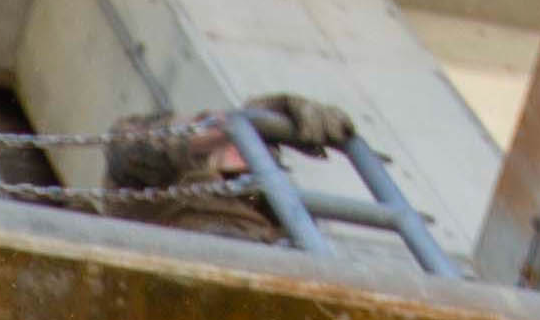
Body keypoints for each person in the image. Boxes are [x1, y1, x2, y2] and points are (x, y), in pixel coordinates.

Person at [94, 97, 360, 243]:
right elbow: (129, 147)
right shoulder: (162, 187)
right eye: (239, 143)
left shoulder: (281, 221)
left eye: (264, 147)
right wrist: (236, 123)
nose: (246, 148)